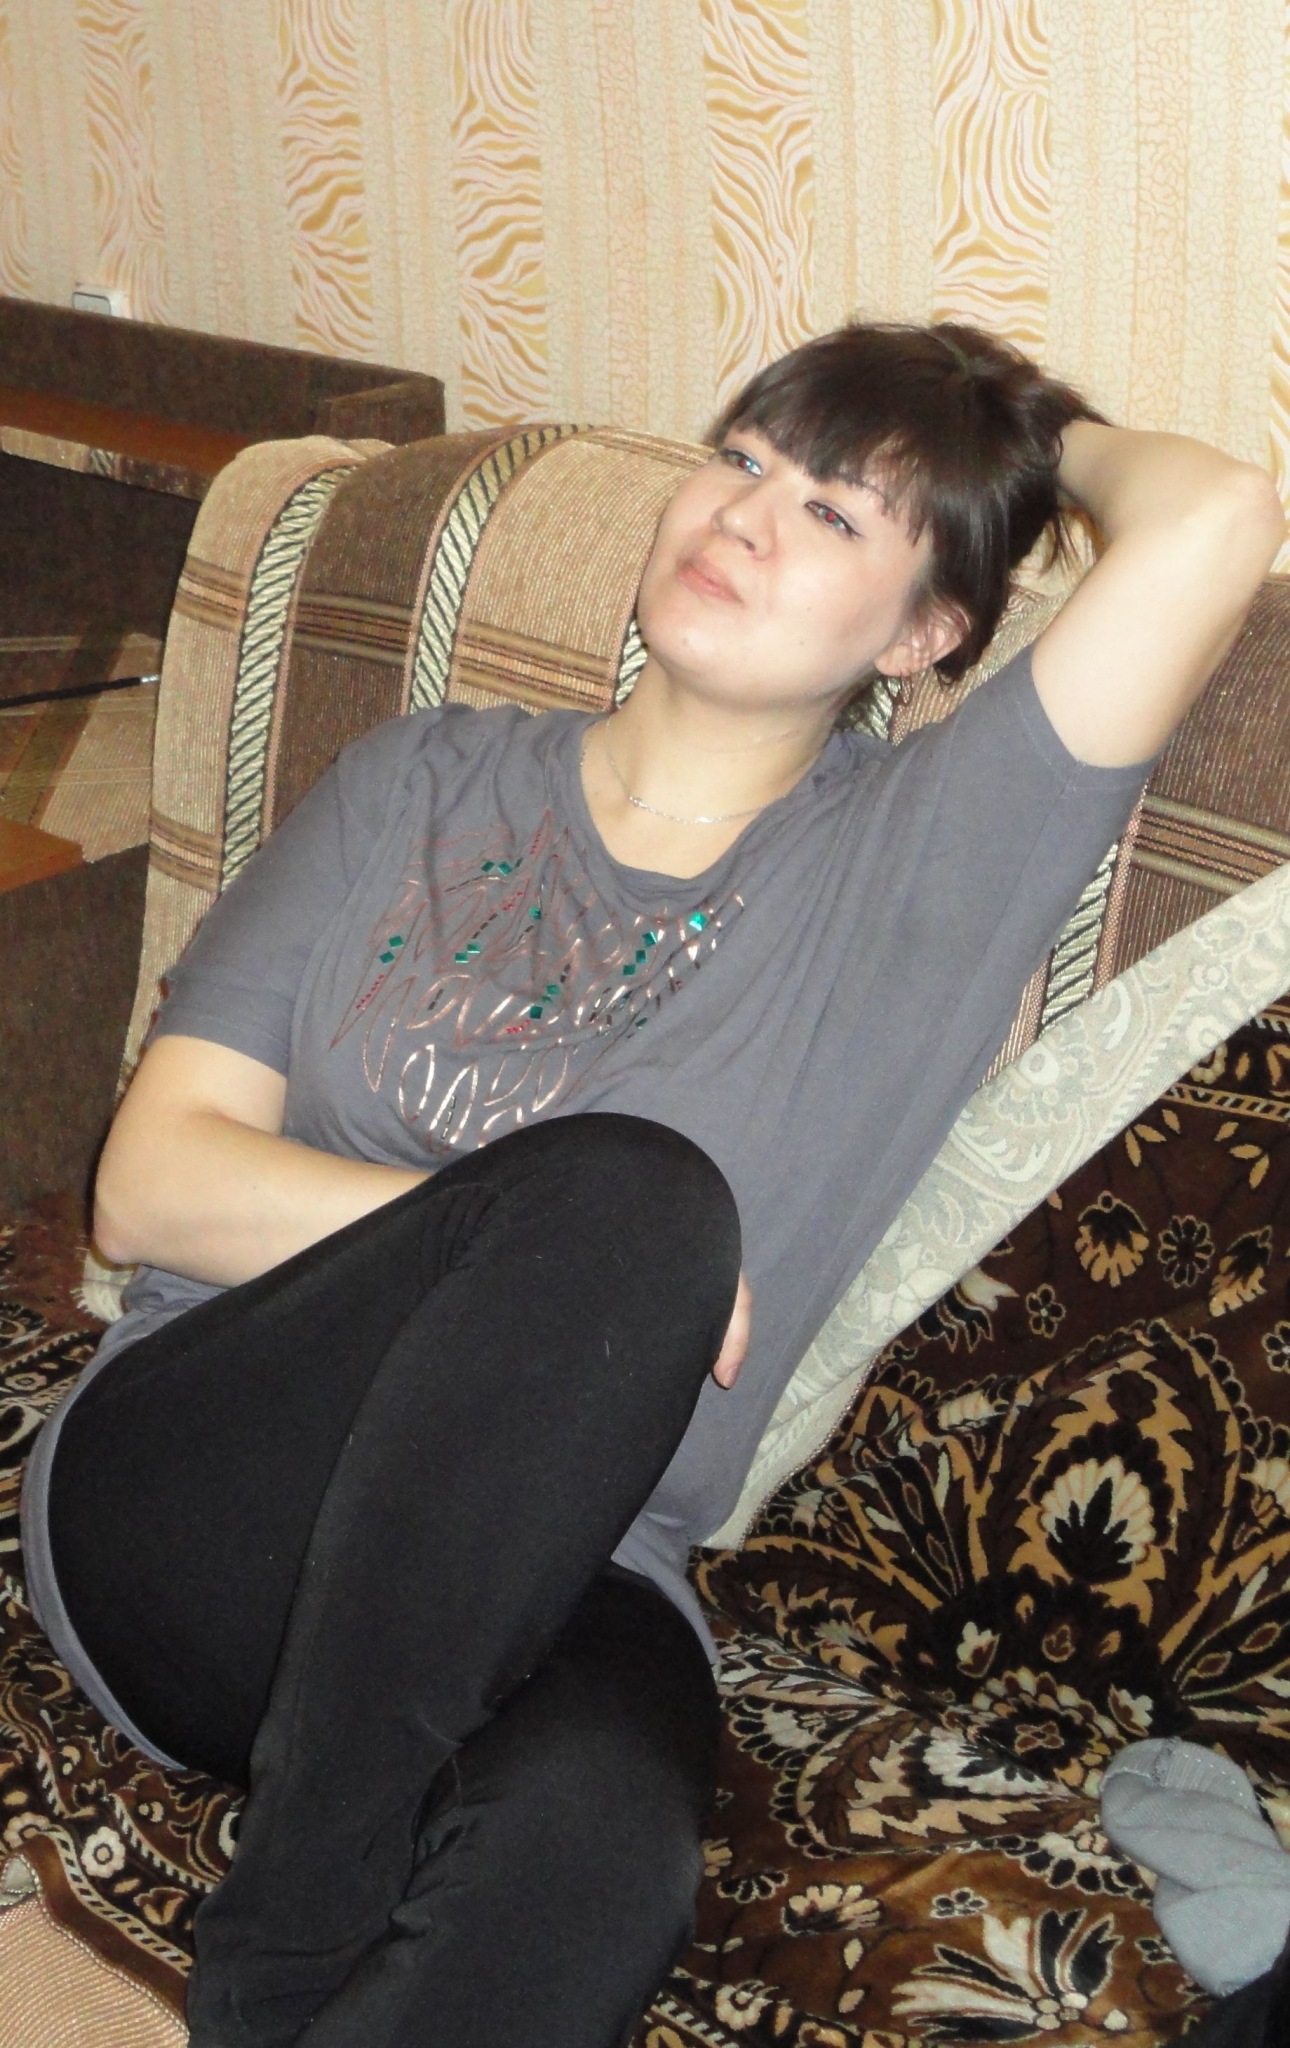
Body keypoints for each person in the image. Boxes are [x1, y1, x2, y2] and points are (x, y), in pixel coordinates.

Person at [19, 321, 1284, 2048]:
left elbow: (1214, 517)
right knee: (629, 1204)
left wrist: (1006, 423)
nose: (746, 514)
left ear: (925, 634)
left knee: (601, 1854)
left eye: (836, 514)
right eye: (742, 460)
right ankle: (289, 1938)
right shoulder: (418, 780)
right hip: (204, 1500)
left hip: (584, 1570)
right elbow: (147, 1189)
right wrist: (539, 1258)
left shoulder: (918, 860)